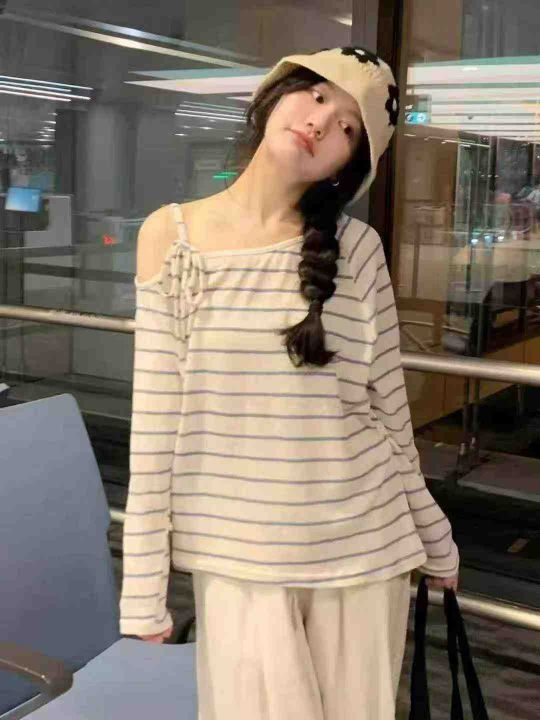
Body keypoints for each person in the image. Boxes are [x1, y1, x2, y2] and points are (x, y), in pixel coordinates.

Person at [119, 46, 459, 719]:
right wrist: (142, 591)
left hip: (366, 551)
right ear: (274, 97)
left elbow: (389, 414)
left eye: (348, 128)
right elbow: (155, 427)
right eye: (318, 94)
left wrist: (435, 535)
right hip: (240, 561)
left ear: (346, 166)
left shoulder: (358, 250)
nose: (321, 121)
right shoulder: (172, 237)